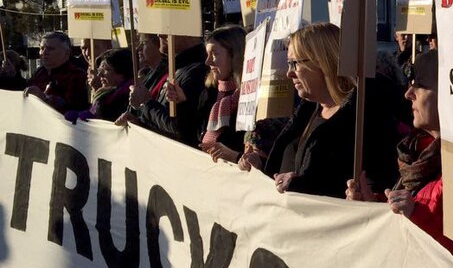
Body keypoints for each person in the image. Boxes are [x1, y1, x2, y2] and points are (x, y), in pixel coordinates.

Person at [346, 50, 453, 268]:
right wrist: (373, 206)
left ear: (452, 92)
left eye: (420, 85)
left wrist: (415, 216)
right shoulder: (421, 153)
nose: (408, 94)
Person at [264, 22, 399, 198]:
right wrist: (255, 160)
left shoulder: (365, 119)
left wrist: (299, 185)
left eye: (295, 63)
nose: (289, 73)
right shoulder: (307, 111)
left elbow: (372, 184)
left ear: (323, 61)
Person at [167, 25, 247, 163]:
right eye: (207, 54)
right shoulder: (210, 92)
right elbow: (191, 136)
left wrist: (234, 155)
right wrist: (183, 103)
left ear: (235, 55)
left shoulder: (250, 97)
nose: (208, 61)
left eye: (214, 54)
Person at [118, 35, 212, 147]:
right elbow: (162, 121)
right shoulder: (172, 68)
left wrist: (146, 103)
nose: (159, 35)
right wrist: (140, 122)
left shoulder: (196, 72)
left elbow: (181, 129)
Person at [24, 31, 89, 113]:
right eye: (42, 48)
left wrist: (45, 99)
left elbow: (74, 108)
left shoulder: (77, 75)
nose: (44, 53)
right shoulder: (39, 73)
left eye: (50, 49)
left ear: (66, 53)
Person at [64, 49, 135, 123]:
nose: (99, 75)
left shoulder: (129, 97)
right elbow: (93, 112)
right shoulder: (106, 93)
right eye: (100, 70)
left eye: (106, 70)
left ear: (122, 71)